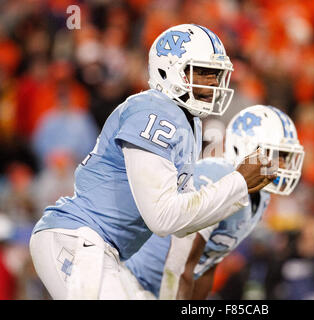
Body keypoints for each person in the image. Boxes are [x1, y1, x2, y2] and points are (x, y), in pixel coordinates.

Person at [29, 24, 275, 300]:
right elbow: (162, 217)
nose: (213, 83)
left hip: (103, 249)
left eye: (216, 74)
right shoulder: (154, 111)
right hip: (79, 239)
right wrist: (238, 182)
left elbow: (182, 223)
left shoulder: (187, 122)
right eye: (204, 72)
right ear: (170, 70)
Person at [125, 104, 305, 299]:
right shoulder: (216, 175)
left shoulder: (261, 198)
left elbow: (206, 267)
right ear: (247, 149)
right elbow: (180, 265)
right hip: (132, 282)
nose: (284, 165)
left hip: (162, 287)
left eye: (286, 157)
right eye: (277, 155)